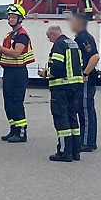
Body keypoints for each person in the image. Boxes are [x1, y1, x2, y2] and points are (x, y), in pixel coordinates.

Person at [0, 4, 34, 143]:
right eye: (9, 17)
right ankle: (13, 129)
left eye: (13, 17)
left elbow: (16, 53)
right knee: (8, 102)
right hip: (8, 71)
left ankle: (21, 132)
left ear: (20, 18)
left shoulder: (22, 35)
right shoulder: (10, 35)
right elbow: (4, 52)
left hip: (18, 73)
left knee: (16, 102)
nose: (10, 19)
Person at [39, 25, 83, 162]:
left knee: (61, 119)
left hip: (61, 87)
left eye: (48, 37)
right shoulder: (73, 43)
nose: (49, 40)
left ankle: (64, 152)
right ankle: (76, 151)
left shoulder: (58, 45)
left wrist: (46, 73)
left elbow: (57, 67)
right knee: (72, 118)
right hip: (76, 86)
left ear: (53, 34)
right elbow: (80, 63)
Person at [70, 12, 100, 152]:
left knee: (86, 111)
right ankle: (87, 140)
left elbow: (94, 56)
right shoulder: (80, 37)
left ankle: (87, 142)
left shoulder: (84, 38)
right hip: (83, 79)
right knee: (84, 110)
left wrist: (85, 73)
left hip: (87, 80)